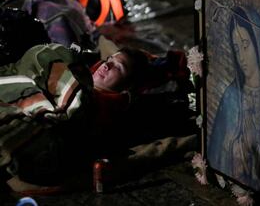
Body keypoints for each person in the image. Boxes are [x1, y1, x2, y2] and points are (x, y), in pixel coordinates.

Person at [0, 43, 194, 190]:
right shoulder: (79, 74)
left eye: (118, 68)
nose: (107, 66)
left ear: (127, 88)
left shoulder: (102, 107)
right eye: (109, 60)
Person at [207, 6, 260, 199]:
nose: (241, 56)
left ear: (259, 45)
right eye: (236, 48)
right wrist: (235, 149)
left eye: (246, 45)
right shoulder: (230, 97)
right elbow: (216, 156)